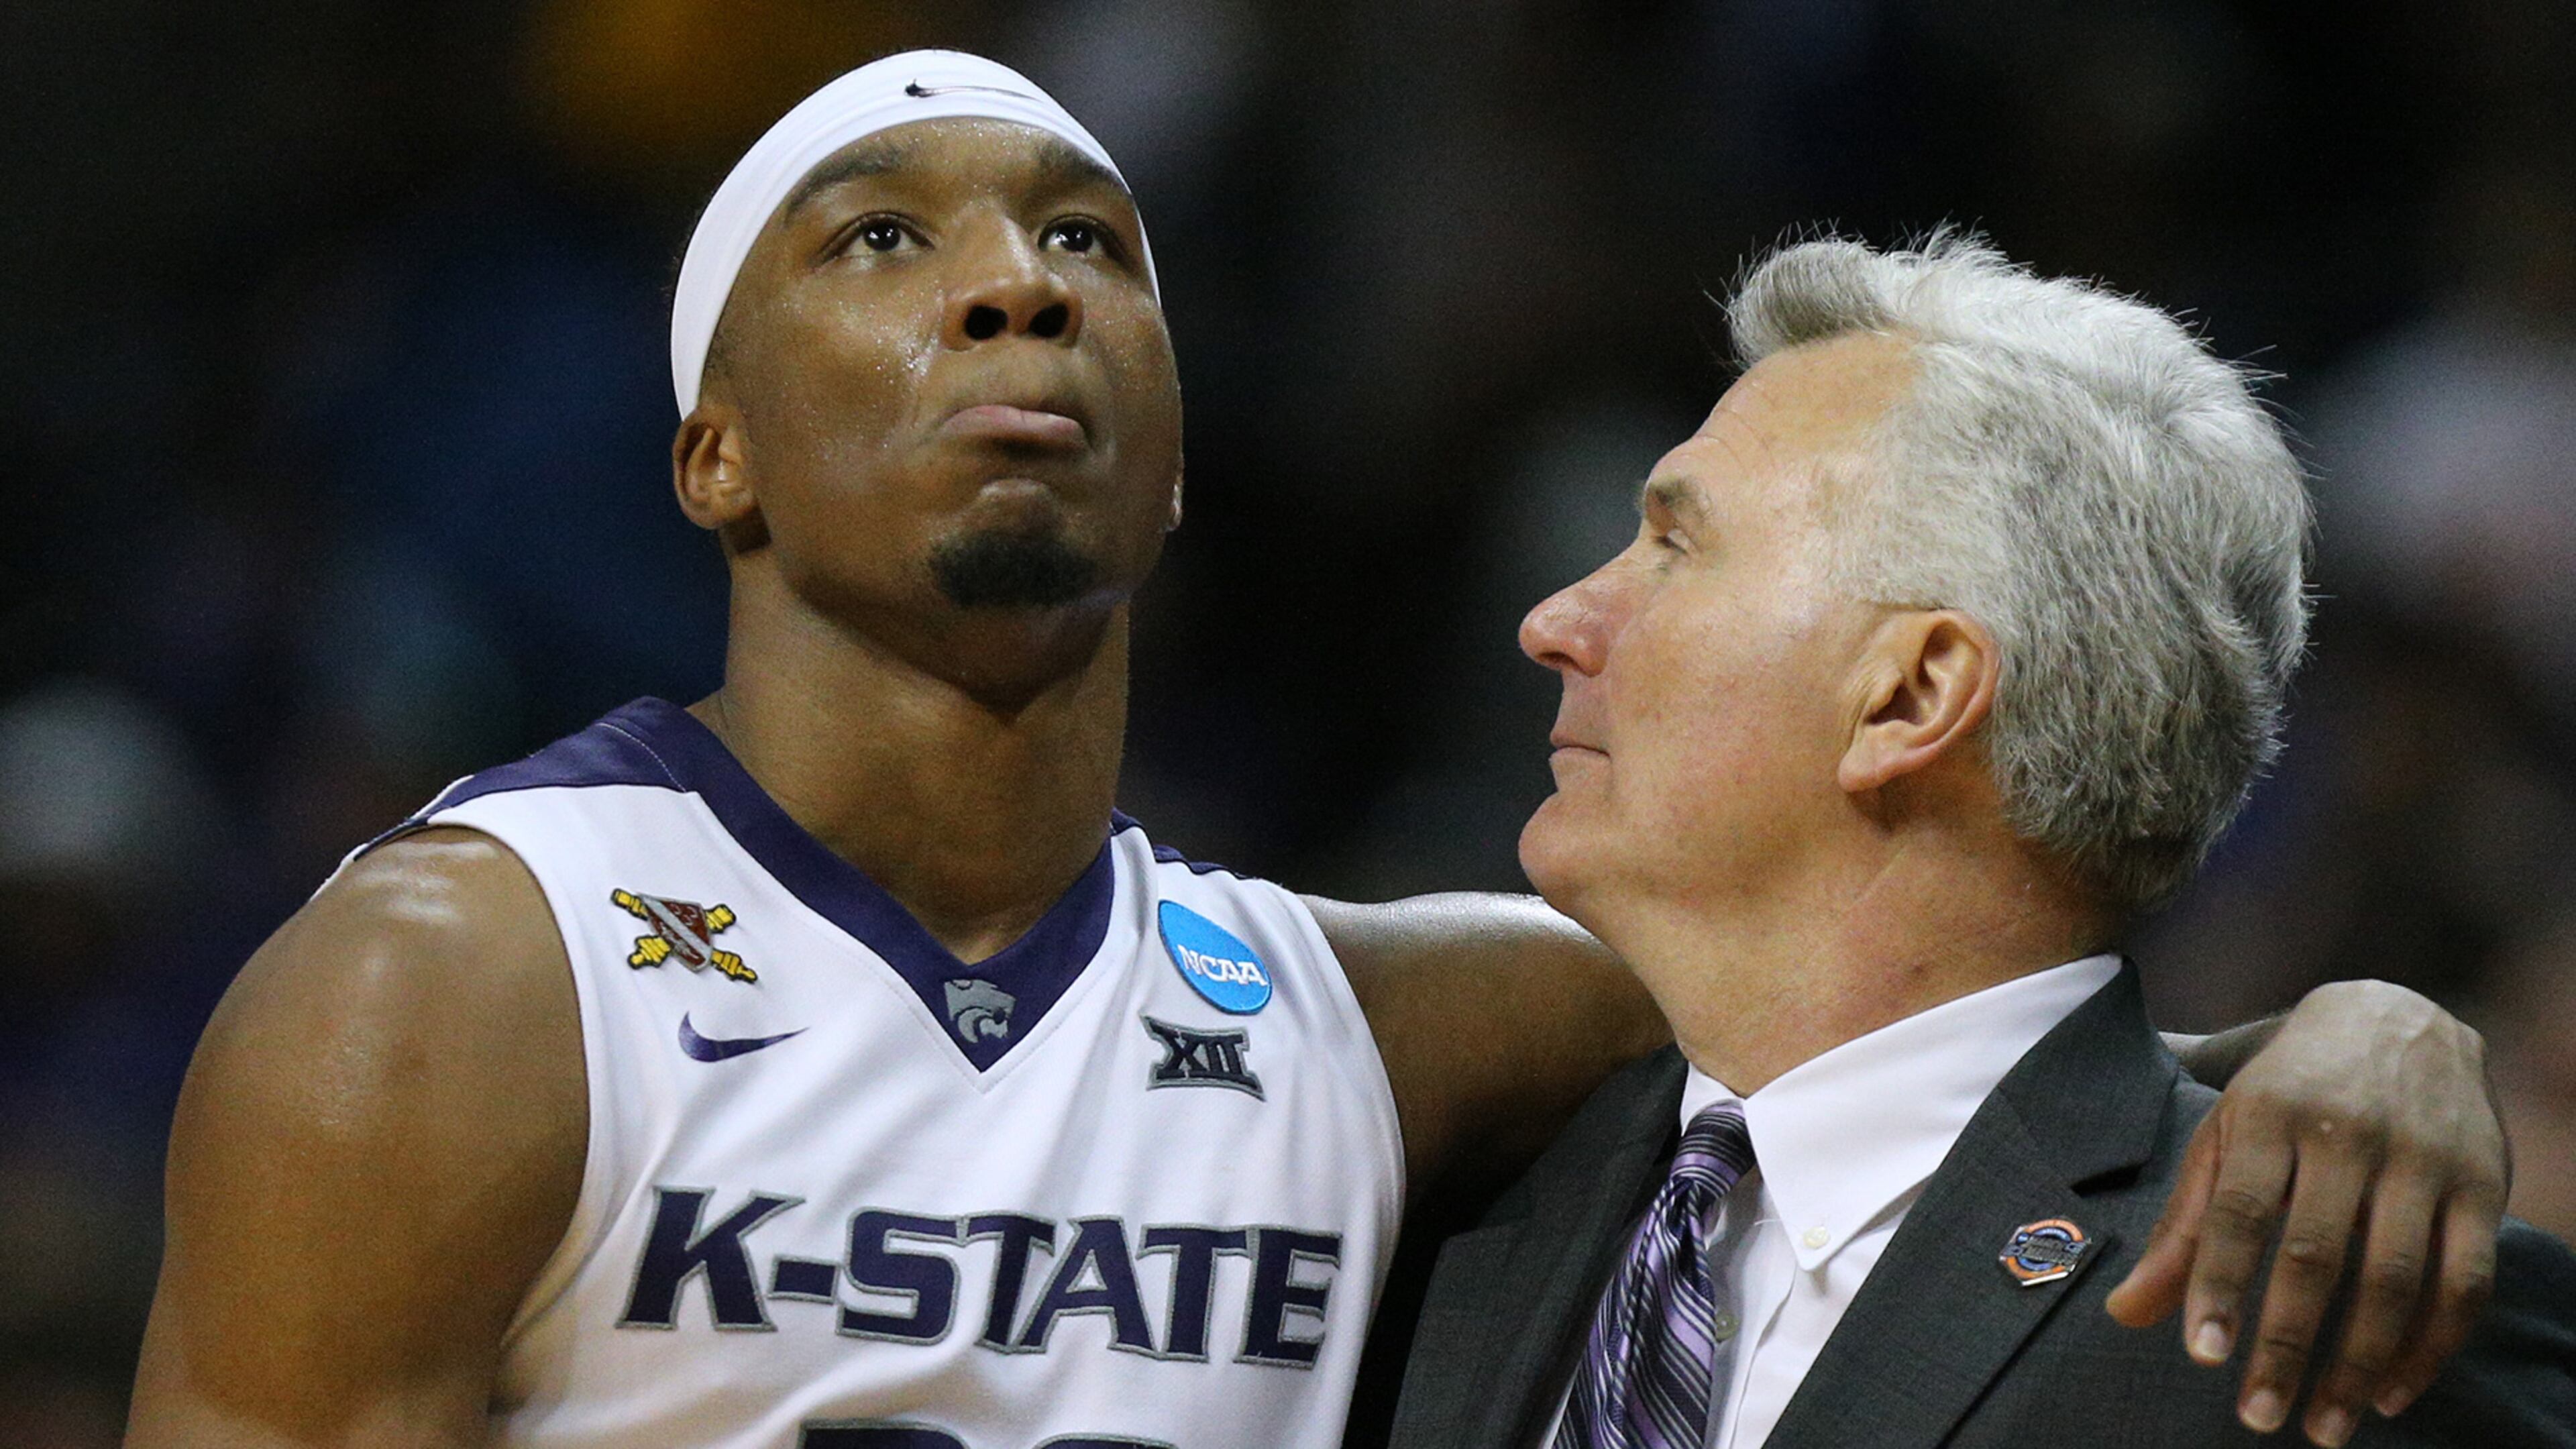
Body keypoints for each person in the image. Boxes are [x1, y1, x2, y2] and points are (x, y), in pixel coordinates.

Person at [125, 56, 2511, 1449]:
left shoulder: (1390, 1022)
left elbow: (1931, 1036)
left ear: (1173, 465)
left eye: (1092, 243)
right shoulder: (461, 981)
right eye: (878, 244)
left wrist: (2362, 1036)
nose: (1016, 282)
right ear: (714, 453)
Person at [1388, 235, 2576, 1449]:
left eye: (1675, 548)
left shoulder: (2330, 1322)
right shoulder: (1434, 1169)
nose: (1556, 621)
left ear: (1911, 696)